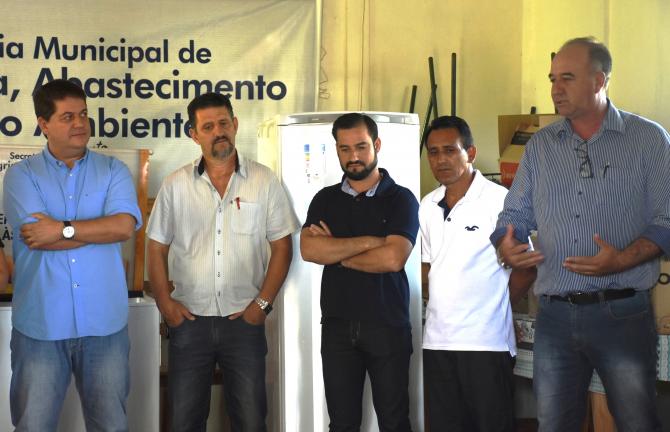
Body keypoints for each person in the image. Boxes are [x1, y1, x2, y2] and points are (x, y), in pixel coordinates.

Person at [492, 37, 669, 431]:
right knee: (555, 423)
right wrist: (508, 244)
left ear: (599, 80)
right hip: (555, 314)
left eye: (567, 78)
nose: (555, 89)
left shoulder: (648, 140)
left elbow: (667, 220)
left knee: (636, 422)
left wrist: (620, 260)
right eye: (552, 79)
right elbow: (513, 215)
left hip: (622, 313)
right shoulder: (541, 146)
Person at [147, 92, 298, 432]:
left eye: (224, 123)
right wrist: (166, 305)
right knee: (185, 422)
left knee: (250, 421)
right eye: (208, 126)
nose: (219, 132)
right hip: (189, 323)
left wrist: (261, 306)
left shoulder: (264, 181)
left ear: (235, 125)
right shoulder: (175, 185)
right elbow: (155, 248)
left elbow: (282, 247)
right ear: (194, 134)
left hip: (244, 322)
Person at [3, 79, 142, 432]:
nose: (80, 123)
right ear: (44, 124)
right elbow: (37, 237)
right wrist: (97, 230)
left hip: (104, 327)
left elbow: (123, 227)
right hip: (41, 327)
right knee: (33, 426)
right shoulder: (21, 175)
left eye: (83, 114)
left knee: (110, 426)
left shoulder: (113, 171)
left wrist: (62, 229)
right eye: (67, 117)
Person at [300, 113, 419, 432]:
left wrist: (335, 252)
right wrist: (370, 242)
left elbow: (393, 258)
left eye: (361, 146)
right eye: (345, 148)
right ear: (337, 150)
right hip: (337, 326)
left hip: (388, 325)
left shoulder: (401, 198)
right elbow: (310, 250)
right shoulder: (325, 199)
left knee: (394, 422)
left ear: (376, 145)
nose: (353, 156)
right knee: (341, 424)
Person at [420, 116, 536, 431]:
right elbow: (429, 267)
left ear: (470, 153)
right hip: (438, 342)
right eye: (433, 152)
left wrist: (495, 306)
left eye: (450, 150)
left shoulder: (500, 201)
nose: (441, 160)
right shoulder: (427, 205)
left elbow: (526, 269)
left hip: (486, 344)